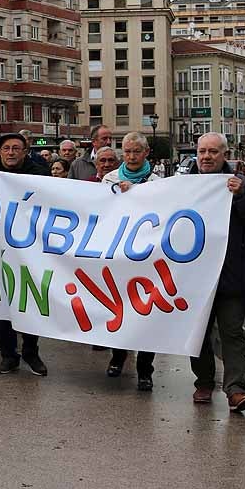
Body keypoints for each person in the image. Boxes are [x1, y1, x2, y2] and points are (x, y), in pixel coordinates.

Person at [189, 132, 245, 412]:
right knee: (197, 333)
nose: (206, 156)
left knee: (233, 333)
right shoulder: (182, 185)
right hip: (193, 277)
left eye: (213, 151)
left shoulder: (242, 185)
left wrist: (240, 197)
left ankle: (236, 389)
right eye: (202, 151)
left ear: (225, 155)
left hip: (230, 275)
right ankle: (204, 381)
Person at [100, 132, 161, 391]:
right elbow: (100, 212)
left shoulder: (159, 183)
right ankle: (118, 355)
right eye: (127, 152)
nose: (132, 156)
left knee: (148, 312)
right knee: (119, 308)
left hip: (147, 257)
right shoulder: (110, 179)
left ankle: (145, 369)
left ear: (146, 153)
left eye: (137, 151)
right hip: (118, 257)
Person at [0, 133, 49, 377]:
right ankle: (8, 355)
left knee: (29, 299)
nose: (10, 152)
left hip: (30, 247)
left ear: (25, 152)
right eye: (6, 148)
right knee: (2, 302)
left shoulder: (39, 174)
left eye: (16, 148)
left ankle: (31, 351)